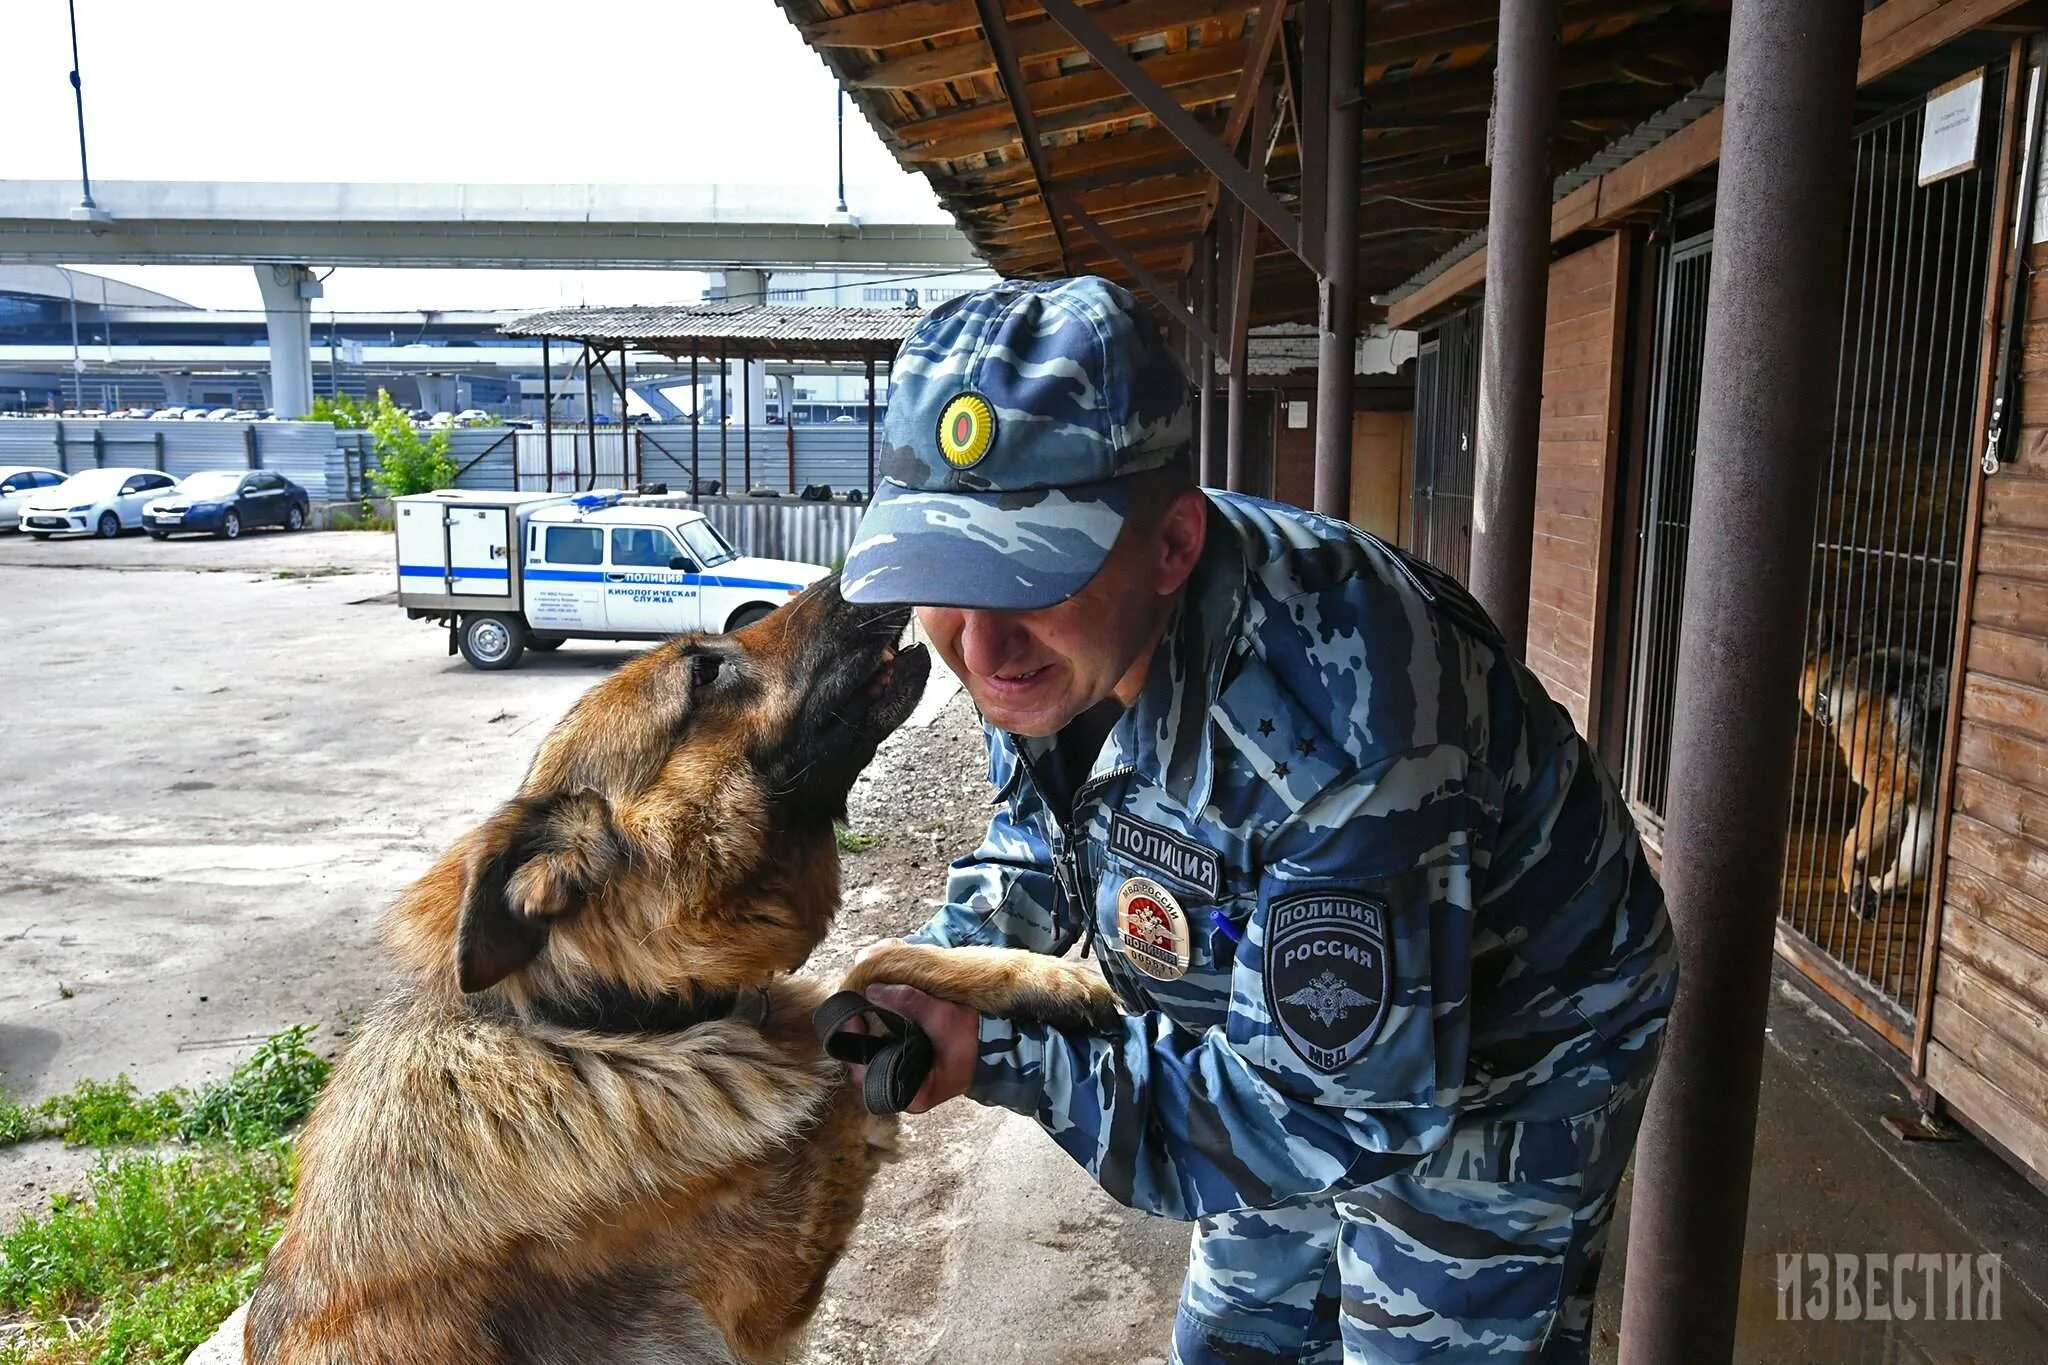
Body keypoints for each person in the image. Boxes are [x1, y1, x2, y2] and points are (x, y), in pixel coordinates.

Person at [839, 276, 1676, 1364]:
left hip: (1513, 1049)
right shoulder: (1051, 642)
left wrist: (999, 1053)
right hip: (1272, 1035)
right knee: (1241, 1341)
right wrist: (940, 971)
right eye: (940, 579)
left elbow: (1326, 1115)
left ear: (1171, 546)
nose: (978, 649)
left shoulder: (1340, 726)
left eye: (1023, 581)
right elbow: (1043, 837)